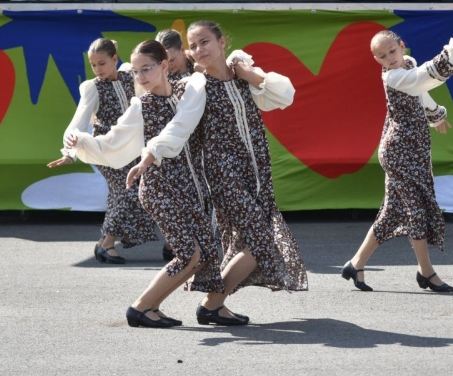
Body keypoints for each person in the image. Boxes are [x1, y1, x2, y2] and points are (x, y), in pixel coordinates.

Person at [128, 20, 308, 326]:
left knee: (247, 242)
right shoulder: (195, 85)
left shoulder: (241, 74)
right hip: (224, 176)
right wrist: (150, 153)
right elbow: (179, 125)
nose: (199, 50)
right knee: (261, 240)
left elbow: (284, 94)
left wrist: (247, 71)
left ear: (222, 41)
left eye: (205, 42)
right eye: (193, 45)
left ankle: (213, 305)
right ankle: (209, 304)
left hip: (257, 173)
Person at [65, 40, 225, 328]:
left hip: (192, 189)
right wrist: (80, 142)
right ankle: (139, 307)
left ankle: (161, 306)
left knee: (204, 253)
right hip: (159, 189)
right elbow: (112, 141)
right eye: (136, 72)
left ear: (164, 66)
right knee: (191, 253)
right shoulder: (141, 105)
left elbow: (187, 117)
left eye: (146, 70)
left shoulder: (186, 93)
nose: (139, 78)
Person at [342, 23, 453, 293]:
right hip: (399, 152)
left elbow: (420, 88)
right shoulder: (392, 77)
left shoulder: (407, 64)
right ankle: (426, 272)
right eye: (382, 56)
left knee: (391, 213)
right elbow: (421, 79)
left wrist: (435, 114)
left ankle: (355, 264)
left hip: (411, 149)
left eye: (391, 51)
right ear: (376, 60)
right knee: (416, 210)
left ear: (401, 46)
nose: (389, 58)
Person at [47, 38, 158, 264]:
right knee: (128, 193)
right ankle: (107, 244)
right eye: (93, 65)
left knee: (122, 194)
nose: (97, 69)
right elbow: (78, 122)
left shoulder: (130, 77)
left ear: (115, 59)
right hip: (106, 149)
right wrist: (69, 153)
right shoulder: (93, 87)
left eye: (102, 63)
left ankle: (103, 244)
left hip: (132, 147)